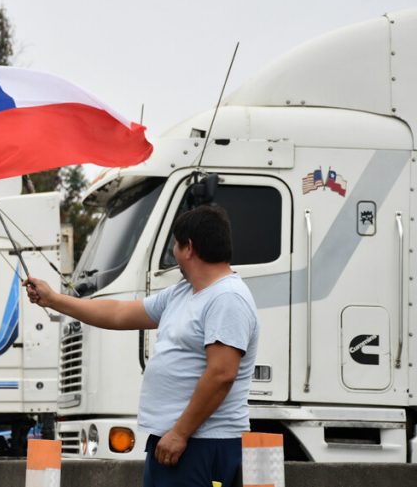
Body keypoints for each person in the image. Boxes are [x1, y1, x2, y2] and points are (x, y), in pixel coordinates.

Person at [25, 205, 259, 487]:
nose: (174, 252)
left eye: (175, 244)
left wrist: (180, 433)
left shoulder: (227, 298)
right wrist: (53, 299)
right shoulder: (183, 293)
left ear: (189, 248)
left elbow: (222, 374)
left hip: (202, 442)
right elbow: (118, 313)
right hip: (176, 441)